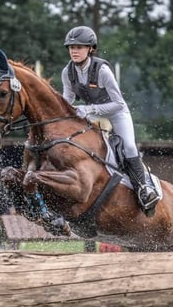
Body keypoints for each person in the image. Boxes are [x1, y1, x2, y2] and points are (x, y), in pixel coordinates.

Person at [61, 26, 161, 216]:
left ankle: (144, 188)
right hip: (93, 115)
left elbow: (118, 103)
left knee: (129, 147)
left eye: (79, 47)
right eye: (71, 47)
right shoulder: (67, 72)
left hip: (116, 112)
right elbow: (67, 99)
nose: (74, 50)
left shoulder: (103, 71)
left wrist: (88, 109)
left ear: (91, 48)